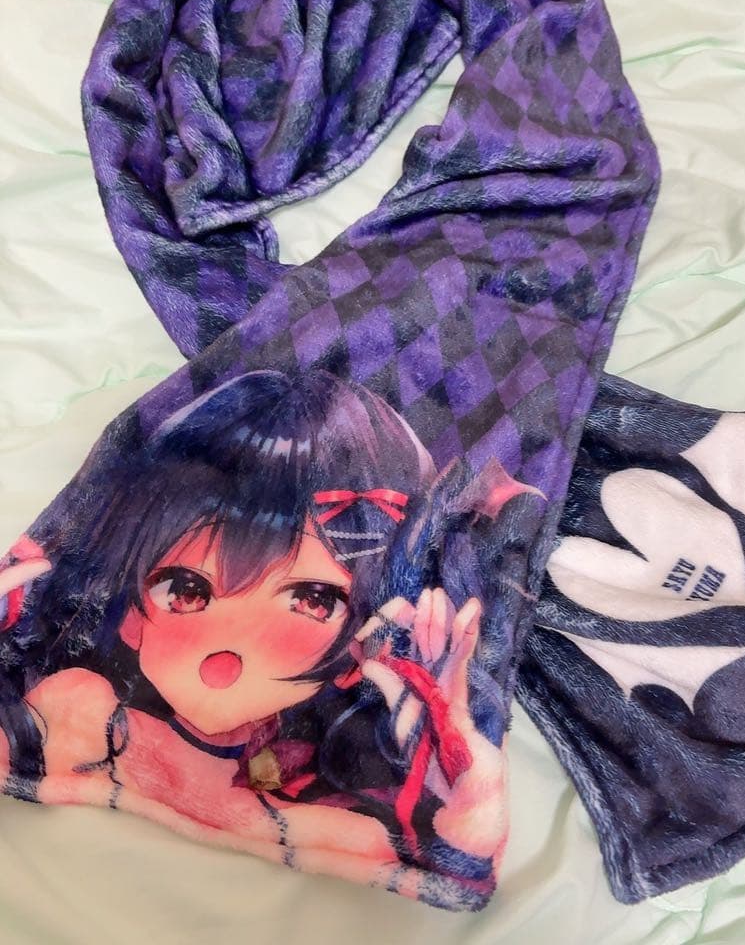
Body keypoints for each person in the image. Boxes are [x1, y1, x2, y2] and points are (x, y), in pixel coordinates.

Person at [0, 369, 541, 907]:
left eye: (313, 599)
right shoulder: (87, 709)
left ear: (364, 632)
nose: (228, 655)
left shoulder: (333, 797)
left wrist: (461, 777)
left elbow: (446, 848)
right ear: (133, 611)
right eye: (186, 589)